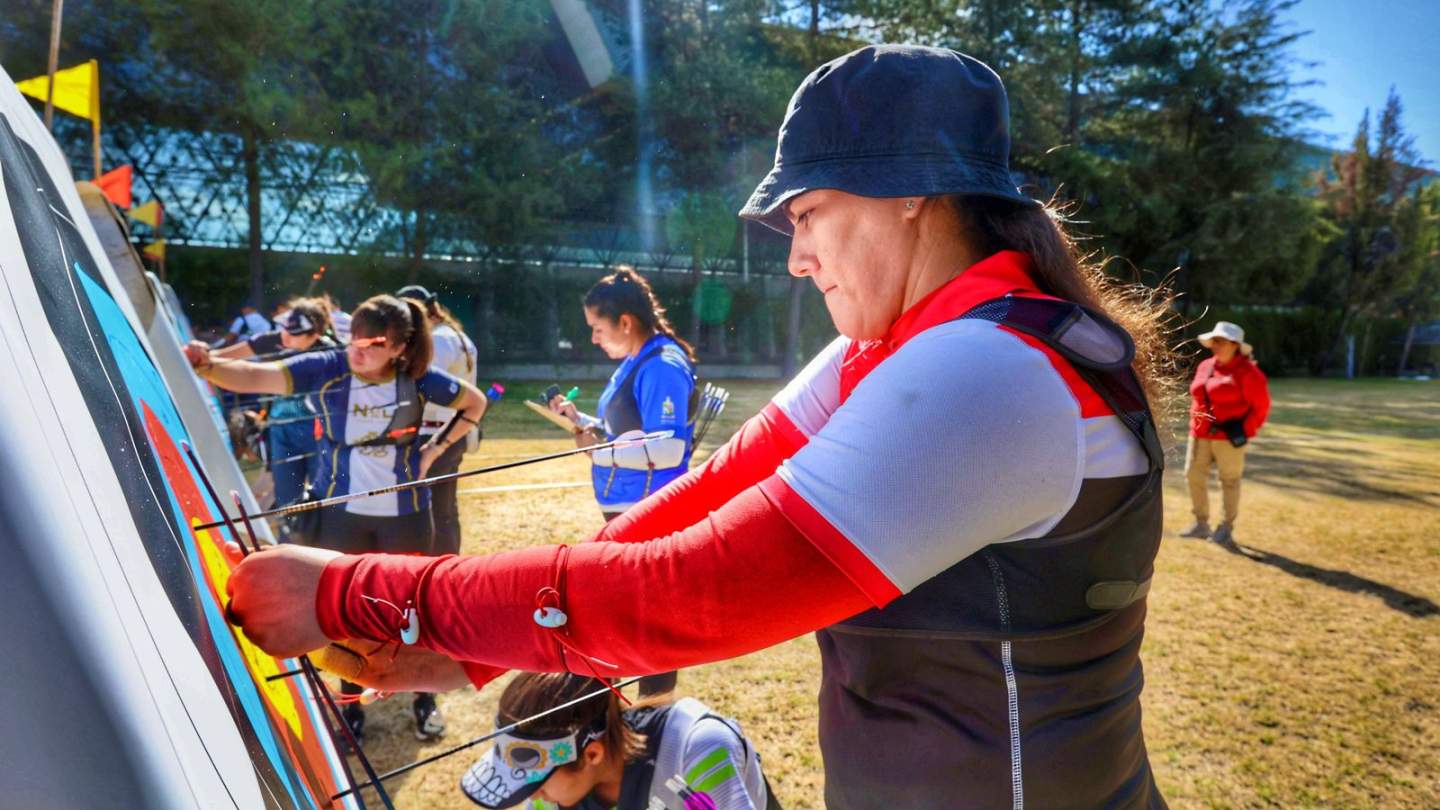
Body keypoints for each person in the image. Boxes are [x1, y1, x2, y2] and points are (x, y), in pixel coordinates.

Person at [226, 45, 1174, 808]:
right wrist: (470, 645)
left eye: (807, 213)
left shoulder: (990, 368)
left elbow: (694, 590)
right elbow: (697, 505)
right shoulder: (905, 346)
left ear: (909, 192)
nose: (799, 257)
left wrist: (363, 594)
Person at [187, 293, 488, 744]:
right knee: (344, 615)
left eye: (373, 344)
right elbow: (258, 374)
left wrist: (435, 451)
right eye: (355, 340)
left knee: (412, 613)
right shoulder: (330, 366)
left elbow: (475, 404)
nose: (358, 351)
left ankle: (425, 700)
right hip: (341, 517)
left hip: (406, 518)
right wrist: (207, 365)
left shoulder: (421, 378)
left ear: (400, 349)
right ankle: (351, 709)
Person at [547, 267, 696, 697]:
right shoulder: (637, 359)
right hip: (628, 508)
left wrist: (599, 451)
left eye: (597, 328)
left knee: (650, 620)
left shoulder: (663, 364)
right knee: (623, 615)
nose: (593, 338)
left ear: (625, 322)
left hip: (650, 510)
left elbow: (668, 448)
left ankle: (653, 710)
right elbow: (629, 433)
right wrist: (581, 423)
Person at [458, 673, 773, 810]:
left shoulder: (698, 750)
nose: (534, 796)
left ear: (591, 754)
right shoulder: (550, 797)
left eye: (536, 784)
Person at [208, 298, 336, 512]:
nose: (286, 335)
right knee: (287, 498)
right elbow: (219, 358)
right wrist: (201, 356)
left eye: (295, 333)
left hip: (319, 433)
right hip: (280, 429)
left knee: (323, 497)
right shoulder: (275, 339)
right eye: (286, 328)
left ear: (314, 335)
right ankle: (289, 537)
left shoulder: (330, 352)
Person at [397, 284, 480, 555]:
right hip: (454, 431)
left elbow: (427, 385)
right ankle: (449, 564)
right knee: (445, 508)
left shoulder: (441, 339)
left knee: (435, 509)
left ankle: (441, 567)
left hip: (438, 432)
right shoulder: (455, 335)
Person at [1179, 321, 1271, 546]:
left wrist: (1242, 432)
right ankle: (1201, 524)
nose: (1214, 345)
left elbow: (1261, 407)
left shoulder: (1249, 373)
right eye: (1213, 341)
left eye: (1219, 341)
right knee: (1193, 475)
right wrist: (1195, 422)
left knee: (1229, 481)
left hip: (1228, 439)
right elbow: (1197, 397)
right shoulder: (1205, 366)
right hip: (1200, 434)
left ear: (1234, 345)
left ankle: (1225, 528)